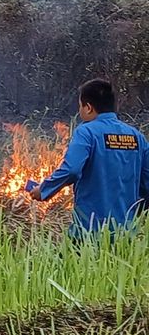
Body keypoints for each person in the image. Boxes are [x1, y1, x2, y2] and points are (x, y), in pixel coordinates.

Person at [29, 78, 149, 238]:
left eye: (80, 106)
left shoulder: (86, 132)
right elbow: (147, 183)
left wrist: (43, 190)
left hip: (89, 232)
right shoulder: (137, 137)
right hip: (126, 234)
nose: (79, 111)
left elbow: (71, 169)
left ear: (88, 108)